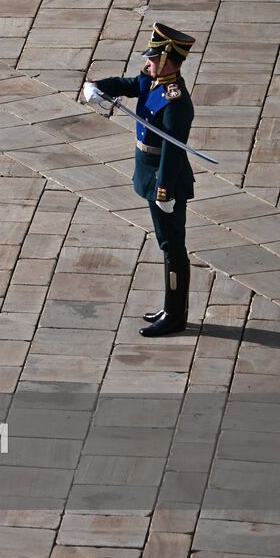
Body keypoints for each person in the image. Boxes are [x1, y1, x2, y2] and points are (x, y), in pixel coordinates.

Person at [83, 23, 198, 337]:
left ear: (166, 60)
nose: (148, 62)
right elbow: (129, 84)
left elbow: (172, 152)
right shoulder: (153, 80)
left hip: (165, 179)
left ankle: (175, 316)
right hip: (149, 173)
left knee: (172, 246)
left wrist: (164, 189)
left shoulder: (176, 102)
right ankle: (170, 307)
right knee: (166, 244)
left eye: (153, 57)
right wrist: (97, 86)